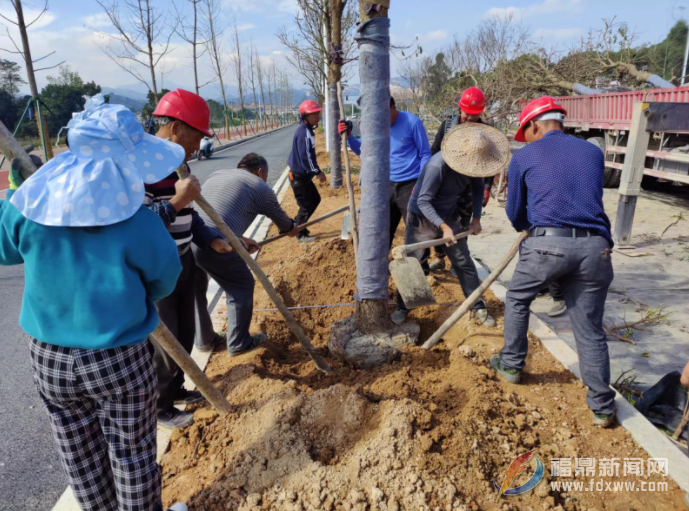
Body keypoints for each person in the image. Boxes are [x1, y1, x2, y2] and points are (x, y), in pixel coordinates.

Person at [1, 98, 189, 511]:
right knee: (132, 454)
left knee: (79, 457)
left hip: (48, 359)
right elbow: (163, 279)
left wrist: (16, 193)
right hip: (118, 356)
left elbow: (6, 250)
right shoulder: (137, 221)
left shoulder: (29, 209)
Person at [490, 96, 616, 428]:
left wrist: (528, 229)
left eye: (524, 132)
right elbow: (585, 196)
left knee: (517, 298)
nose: (525, 138)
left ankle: (512, 364)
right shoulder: (592, 152)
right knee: (589, 328)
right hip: (596, 249)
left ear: (533, 126)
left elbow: (515, 210)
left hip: (547, 245)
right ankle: (602, 406)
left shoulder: (525, 156)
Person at [146, 88, 235, 429]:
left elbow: (191, 216)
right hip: (157, 265)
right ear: (175, 128)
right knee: (164, 339)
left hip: (183, 259)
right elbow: (139, 223)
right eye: (197, 136)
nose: (199, 145)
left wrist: (212, 240)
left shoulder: (177, 164)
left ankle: (177, 388)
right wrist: (177, 202)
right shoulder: (144, 166)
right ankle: (160, 406)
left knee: (185, 331)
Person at [391, 122, 507, 328]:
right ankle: (402, 307)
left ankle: (476, 305)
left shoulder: (476, 166)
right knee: (412, 262)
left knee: (464, 262)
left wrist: (477, 218)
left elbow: (478, 188)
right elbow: (423, 201)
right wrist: (442, 227)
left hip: (449, 213)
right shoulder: (438, 166)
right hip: (422, 217)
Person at [193, 153, 299, 355]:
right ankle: (239, 343)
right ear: (260, 172)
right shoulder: (260, 187)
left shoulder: (218, 174)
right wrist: (293, 228)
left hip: (190, 235)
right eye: (265, 176)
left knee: (197, 289)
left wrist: (239, 239)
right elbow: (285, 225)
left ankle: (205, 340)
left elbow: (215, 214)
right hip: (214, 240)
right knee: (241, 285)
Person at [339, 96, 432, 247]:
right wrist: (349, 137)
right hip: (385, 184)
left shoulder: (412, 122)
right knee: (383, 228)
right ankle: (381, 265)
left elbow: (425, 154)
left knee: (416, 227)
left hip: (410, 184)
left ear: (393, 108)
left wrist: (421, 183)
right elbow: (361, 150)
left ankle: (421, 266)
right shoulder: (377, 127)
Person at [429, 87, 492, 273]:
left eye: (475, 114)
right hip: (444, 186)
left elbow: (491, 163)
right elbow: (434, 152)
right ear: (460, 109)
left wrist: (487, 187)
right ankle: (439, 258)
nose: (470, 118)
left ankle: (458, 262)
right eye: (467, 114)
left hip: (469, 189)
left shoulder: (487, 132)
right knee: (438, 224)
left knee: (462, 226)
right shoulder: (447, 127)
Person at [287, 99, 327, 243]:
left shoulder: (306, 131)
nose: (317, 117)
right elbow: (306, 158)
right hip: (298, 178)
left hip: (302, 177)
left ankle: (298, 225)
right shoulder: (305, 133)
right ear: (304, 116)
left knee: (315, 199)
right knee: (306, 206)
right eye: (313, 114)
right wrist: (317, 172)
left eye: (317, 113)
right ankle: (300, 234)